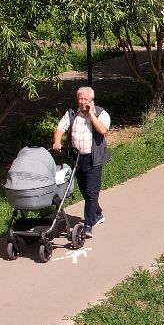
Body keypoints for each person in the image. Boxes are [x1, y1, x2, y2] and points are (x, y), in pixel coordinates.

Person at [52, 86, 111, 228]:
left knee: (91, 191)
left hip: (94, 158)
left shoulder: (101, 113)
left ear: (91, 100)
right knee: (84, 190)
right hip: (77, 158)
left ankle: (88, 224)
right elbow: (60, 128)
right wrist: (57, 141)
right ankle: (96, 213)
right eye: (80, 98)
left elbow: (103, 130)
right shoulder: (72, 113)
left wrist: (92, 115)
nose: (82, 101)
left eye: (85, 99)